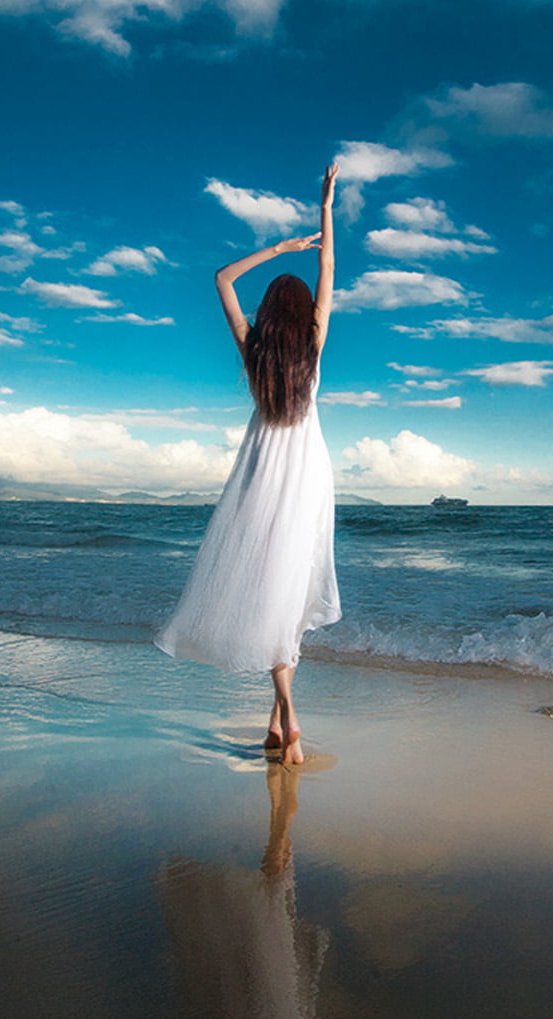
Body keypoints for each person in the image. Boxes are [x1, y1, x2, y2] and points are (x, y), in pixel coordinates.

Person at [155, 164, 341, 766]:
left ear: (267, 311)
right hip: (307, 478)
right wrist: (324, 210)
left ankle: (274, 722)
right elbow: (330, 269)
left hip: (260, 476)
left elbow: (221, 277)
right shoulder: (311, 343)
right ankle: (290, 718)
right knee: (288, 596)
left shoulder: (253, 349)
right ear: (305, 309)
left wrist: (279, 247)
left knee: (276, 596)